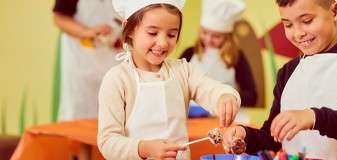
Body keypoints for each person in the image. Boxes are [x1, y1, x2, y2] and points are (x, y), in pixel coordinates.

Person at [222, 0, 337, 159]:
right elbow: (273, 137)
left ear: (335, 10)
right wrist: (245, 135)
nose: (298, 33)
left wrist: (314, 117)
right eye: (288, 24)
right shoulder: (287, 73)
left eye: (307, 21)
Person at [97, 0, 241, 159]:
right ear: (128, 28)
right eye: (152, 33)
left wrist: (225, 96)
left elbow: (210, 88)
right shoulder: (117, 79)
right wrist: (144, 148)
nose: (163, 42)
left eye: (172, 34)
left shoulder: (183, 71)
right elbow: (108, 141)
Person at [180, 0, 257, 106]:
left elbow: (252, 96)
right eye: (205, 33)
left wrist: (227, 98)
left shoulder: (237, 57)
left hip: (227, 117)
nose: (208, 40)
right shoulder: (189, 53)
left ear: (227, 37)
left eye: (216, 36)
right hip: (192, 116)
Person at [53, 0, 120, 121]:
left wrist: (122, 38)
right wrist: (86, 32)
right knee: (79, 112)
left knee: (117, 114)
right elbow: (60, 17)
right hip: (80, 60)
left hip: (116, 59)